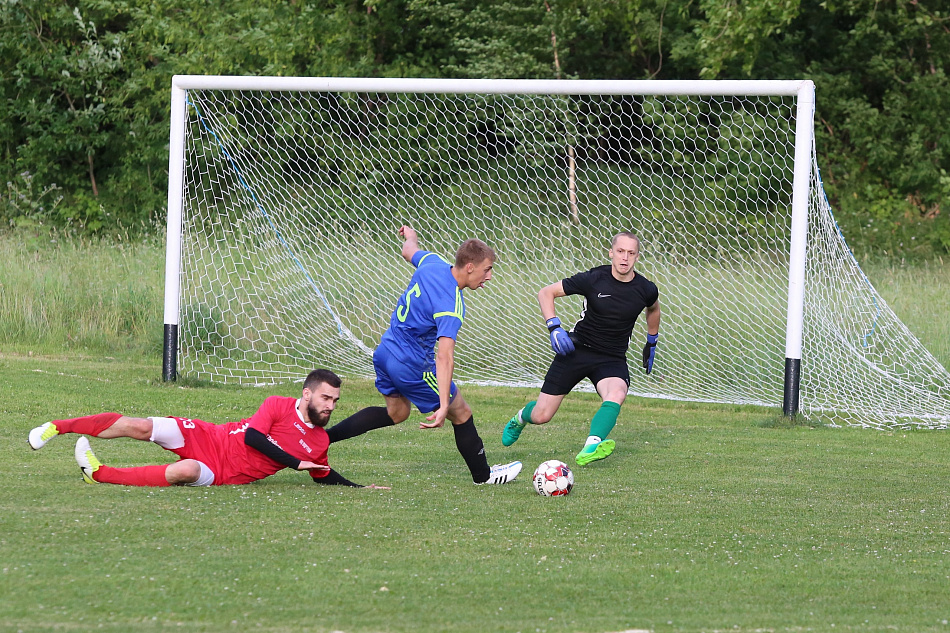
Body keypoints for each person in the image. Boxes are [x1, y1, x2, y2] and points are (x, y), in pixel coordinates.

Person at [324, 225, 522, 485]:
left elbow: (409, 250)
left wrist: (411, 235)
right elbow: (444, 357)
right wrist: (443, 405)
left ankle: (322, 439)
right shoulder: (451, 305)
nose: (490, 276)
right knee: (461, 412)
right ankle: (484, 476)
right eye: (487, 269)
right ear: (470, 267)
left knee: (397, 413)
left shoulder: (433, 262)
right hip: (411, 366)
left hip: (384, 352)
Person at [28, 369, 388, 489]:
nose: (330, 405)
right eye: (326, 398)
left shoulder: (317, 443)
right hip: (209, 435)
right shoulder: (278, 404)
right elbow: (252, 437)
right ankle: (56, 427)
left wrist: (360, 488)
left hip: (224, 472)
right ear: (307, 393)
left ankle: (99, 474)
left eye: (335, 401)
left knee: (183, 471)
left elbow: (323, 475)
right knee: (139, 426)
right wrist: (294, 464)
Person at [501, 231, 661, 466]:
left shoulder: (645, 288)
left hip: (611, 358)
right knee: (542, 415)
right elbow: (546, 293)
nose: (624, 258)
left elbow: (653, 309)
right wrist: (554, 327)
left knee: (617, 393)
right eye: (620, 251)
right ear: (611, 253)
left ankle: (591, 447)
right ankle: (520, 418)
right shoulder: (594, 278)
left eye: (631, 253)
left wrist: (652, 340)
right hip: (576, 351)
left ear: (637, 256)